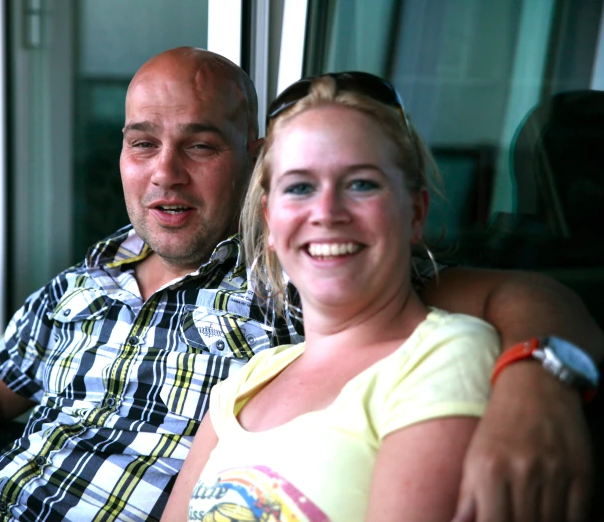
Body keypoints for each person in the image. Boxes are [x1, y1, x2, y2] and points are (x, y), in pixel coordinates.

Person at [0, 47, 600, 522]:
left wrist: (539, 383)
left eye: (201, 144)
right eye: (142, 142)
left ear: (256, 159)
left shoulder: (305, 266)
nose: (165, 171)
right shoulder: (97, 267)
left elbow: (521, 298)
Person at [161, 71, 497, 521]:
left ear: (415, 212)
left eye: (361, 184)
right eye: (299, 187)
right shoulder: (245, 384)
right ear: (270, 220)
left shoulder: (445, 354)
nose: (327, 213)